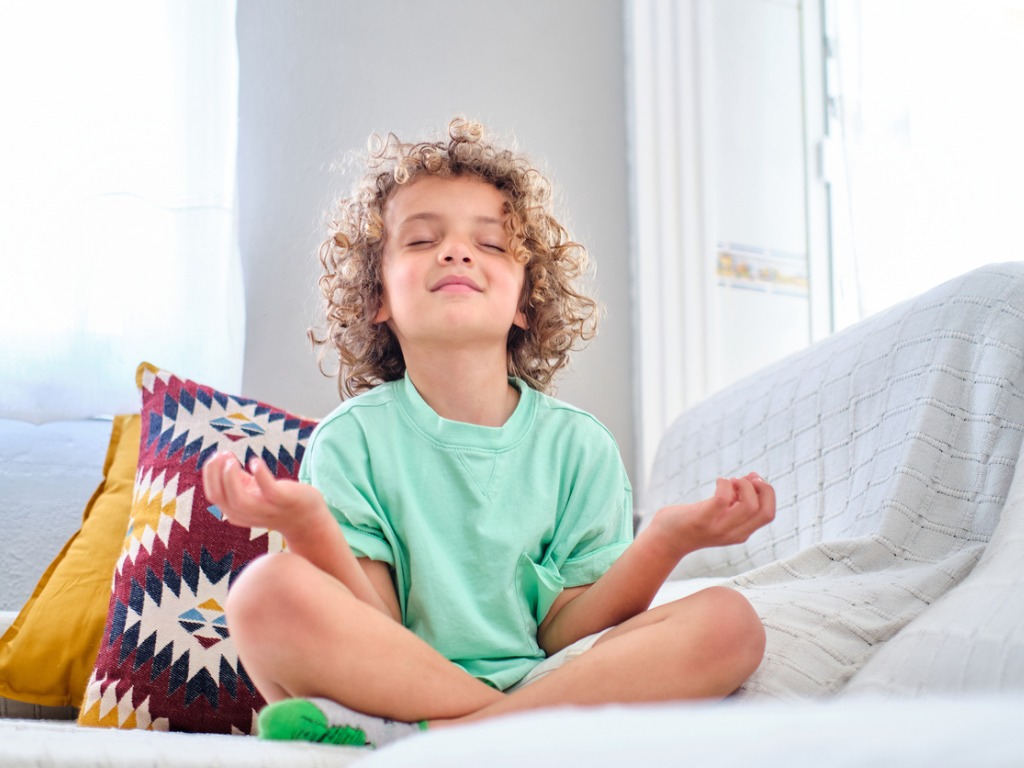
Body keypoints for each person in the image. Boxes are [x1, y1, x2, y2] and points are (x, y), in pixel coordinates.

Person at [201, 117, 775, 749]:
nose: (456, 251)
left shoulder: (579, 449)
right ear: (377, 298)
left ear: (526, 300)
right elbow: (376, 628)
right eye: (421, 240)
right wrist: (308, 526)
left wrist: (666, 538)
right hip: (390, 685)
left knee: (732, 623)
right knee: (264, 593)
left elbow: (566, 634)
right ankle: (485, 734)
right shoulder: (350, 441)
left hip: (546, 680)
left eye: (493, 245)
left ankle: (441, 739)